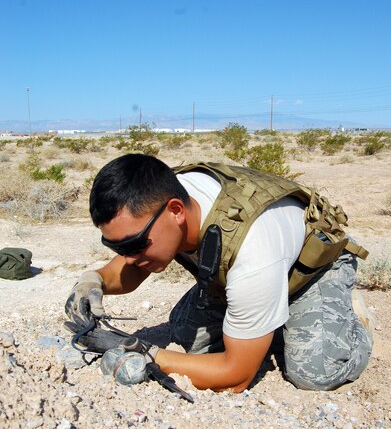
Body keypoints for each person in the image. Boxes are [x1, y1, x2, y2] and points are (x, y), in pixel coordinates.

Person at [65, 153, 373, 393]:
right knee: (187, 341)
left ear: (176, 211)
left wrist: (146, 353)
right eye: (117, 247)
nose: (128, 256)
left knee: (313, 372)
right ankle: (269, 319)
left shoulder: (254, 252)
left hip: (312, 269)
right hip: (252, 273)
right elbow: (133, 264)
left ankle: (348, 322)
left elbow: (236, 377)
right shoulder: (160, 201)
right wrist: (94, 281)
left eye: (134, 244)